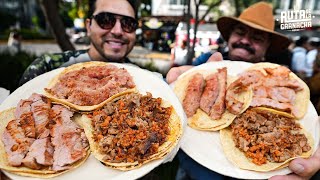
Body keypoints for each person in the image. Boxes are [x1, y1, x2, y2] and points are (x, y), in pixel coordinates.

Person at [167, 2, 320, 180]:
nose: (246, 41)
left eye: (257, 38)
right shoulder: (205, 62)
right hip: (191, 172)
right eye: (240, 32)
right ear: (229, 36)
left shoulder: (280, 75)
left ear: (267, 47)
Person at [19, 0, 138, 85]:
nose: (117, 31)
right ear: (88, 26)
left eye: (128, 23)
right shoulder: (46, 67)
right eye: (105, 20)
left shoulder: (145, 79)